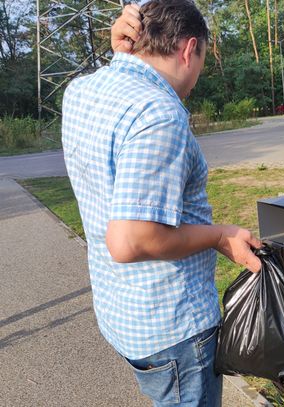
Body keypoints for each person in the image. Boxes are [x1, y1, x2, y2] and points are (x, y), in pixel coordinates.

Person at [62, 1, 262, 406]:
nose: (195, 80)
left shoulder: (81, 91)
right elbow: (131, 240)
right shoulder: (159, 112)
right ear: (189, 50)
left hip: (123, 316)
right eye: (201, 61)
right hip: (173, 329)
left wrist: (120, 55)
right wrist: (220, 235)